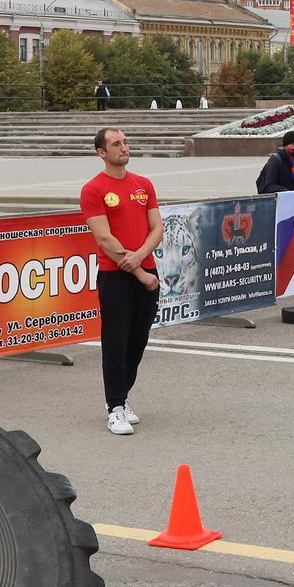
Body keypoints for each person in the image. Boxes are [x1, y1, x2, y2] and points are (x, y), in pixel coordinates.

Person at [82, 127, 164, 436]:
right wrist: (137, 270)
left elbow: (156, 228)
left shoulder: (143, 184)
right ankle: (114, 407)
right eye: (116, 144)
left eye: (126, 142)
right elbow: (103, 237)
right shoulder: (94, 189)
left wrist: (142, 256)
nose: (123, 147)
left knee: (138, 340)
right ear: (101, 153)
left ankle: (123, 396)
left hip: (146, 271)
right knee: (115, 341)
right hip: (115, 275)